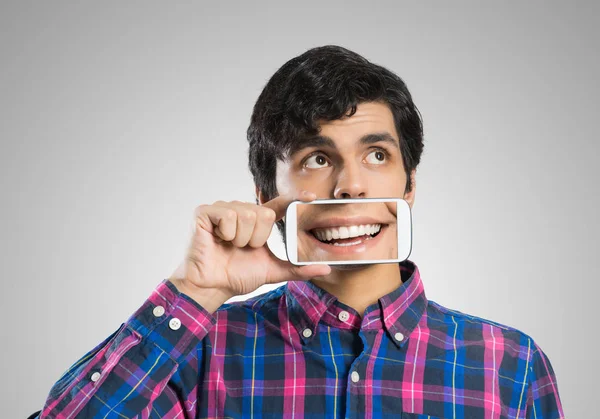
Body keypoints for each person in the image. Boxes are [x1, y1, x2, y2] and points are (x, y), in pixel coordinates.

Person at [34, 45, 564, 418]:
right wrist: (196, 291)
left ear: (409, 187)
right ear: (267, 198)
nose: (351, 186)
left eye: (377, 155)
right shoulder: (198, 352)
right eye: (316, 158)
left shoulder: (509, 365)